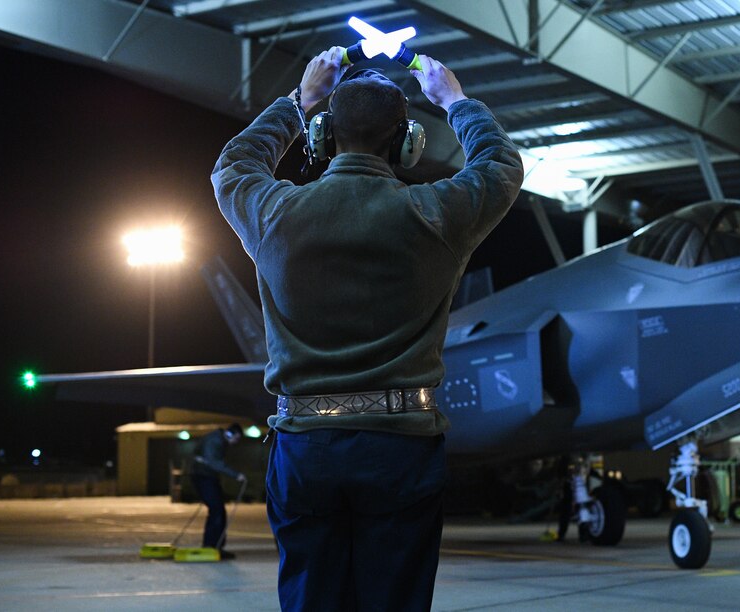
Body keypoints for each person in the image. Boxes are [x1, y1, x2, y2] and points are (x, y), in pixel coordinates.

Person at [211, 46, 523, 611]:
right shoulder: (436, 213)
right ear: (409, 144)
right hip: (400, 447)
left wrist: (300, 101)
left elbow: (234, 165)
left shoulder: (276, 211)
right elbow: (500, 166)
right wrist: (455, 101)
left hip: (305, 447)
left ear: (323, 138)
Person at [190, 423, 246, 558]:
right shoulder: (215, 441)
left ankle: (215, 545)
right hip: (203, 477)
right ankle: (211, 546)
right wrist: (236, 475)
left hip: (207, 477)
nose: (235, 443)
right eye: (236, 439)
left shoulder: (217, 439)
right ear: (230, 434)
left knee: (218, 510)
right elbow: (214, 462)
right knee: (217, 510)